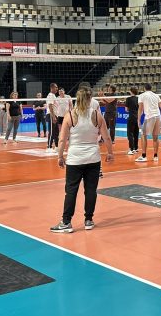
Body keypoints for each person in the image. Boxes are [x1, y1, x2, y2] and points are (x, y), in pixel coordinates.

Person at [50, 86, 114, 233]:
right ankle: (89, 220)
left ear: (77, 99)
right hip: (93, 158)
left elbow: (62, 139)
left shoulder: (70, 115)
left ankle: (66, 222)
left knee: (71, 191)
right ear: (90, 99)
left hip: (75, 159)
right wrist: (110, 153)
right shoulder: (97, 115)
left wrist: (60, 156)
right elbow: (106, 137)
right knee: (91, 190)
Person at [136, 83, 161, 163]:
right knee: (155, 137)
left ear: (144, 88)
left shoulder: (141, 96)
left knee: (143, 135)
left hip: (149, 117)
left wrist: (138, 119)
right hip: (158, 116)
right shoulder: (156, 95)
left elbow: (140, 109)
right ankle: (155, 156)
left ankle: (144, 156)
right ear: (151, 88)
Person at [125, 86, 140, 156]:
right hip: (137, 117)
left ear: (131, 91)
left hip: (131, 117)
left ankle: (131, 149)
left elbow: (126, 109)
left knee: (130, 133)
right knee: (136, 133)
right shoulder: (139, 98)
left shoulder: (128, 99)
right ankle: (136, 148)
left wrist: (131, 110)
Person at [46, 84, 59, 152]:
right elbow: (50, 106)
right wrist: (53, 116)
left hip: (55, 115)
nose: (57, 88)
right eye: (56, 87)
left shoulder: (54, 96)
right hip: (51, 115)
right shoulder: (50, 95)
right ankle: (49, 147)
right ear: (52, 88)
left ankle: (57, 147)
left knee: (56, 132)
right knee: (51, 132)